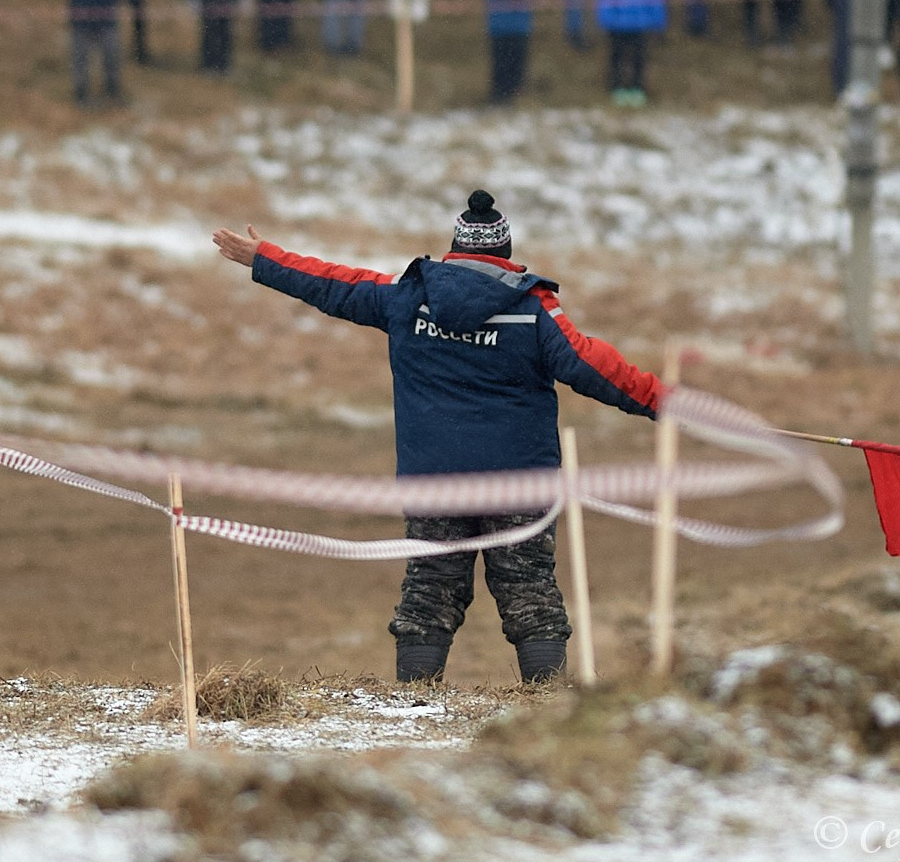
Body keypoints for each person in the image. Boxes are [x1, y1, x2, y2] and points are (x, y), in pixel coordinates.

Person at [214, 191, 662, 684]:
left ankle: (415, 706)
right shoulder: (534, 311)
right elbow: (601, 369)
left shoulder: (408, 297)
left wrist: (267, 260)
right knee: (530, 592)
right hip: (519, 483)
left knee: (429, 593)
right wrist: (671, 405)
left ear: (454, 245)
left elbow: (335, 284)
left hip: (434, 481)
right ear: (505, 251)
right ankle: (546, 703)